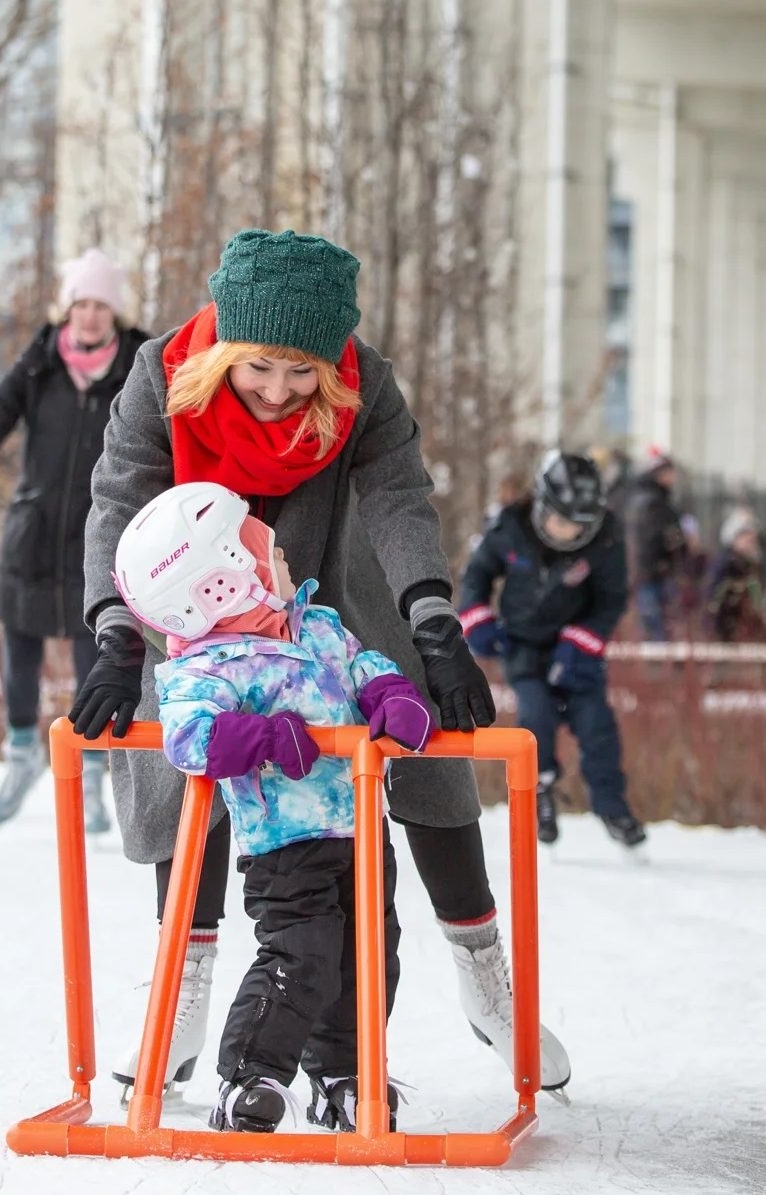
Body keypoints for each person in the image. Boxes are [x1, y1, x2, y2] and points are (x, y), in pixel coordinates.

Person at [71, 228, 571, 1098]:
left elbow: (399, 499)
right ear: (226, 344)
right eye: (260, 366)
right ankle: (182, 989)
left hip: (329, 596)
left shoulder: (364, 384)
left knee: (426, 735)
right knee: (178, 745)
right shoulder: (158, 376)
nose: (277, 391)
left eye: (303, 372)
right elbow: (119, 497)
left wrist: (433, 620)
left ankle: (484, 971)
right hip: (198, 614)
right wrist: (116, 629)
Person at [119, 483, 433, 1132]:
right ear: (224, 584)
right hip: (287, 845)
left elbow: (363, 664)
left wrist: (391, 694)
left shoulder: (316, 625)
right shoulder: (205, 666)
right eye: (266, 550)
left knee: (371, 954)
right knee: (302, 956)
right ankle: (249, 1078)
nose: (283, 554)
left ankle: (344, 1073)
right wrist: (261, 737)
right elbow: (187, 737)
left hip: (361, 829)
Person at [0, 248, 148, 832]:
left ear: (116, 313)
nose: (91, 316)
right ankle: (21, 756)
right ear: (65, 307)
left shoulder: (139, 366)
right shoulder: (40, 362)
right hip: (33, 529)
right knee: (17, 648)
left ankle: (96, 776)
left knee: (93, 656)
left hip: (99, 536)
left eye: (102, 305)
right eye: (81, 303)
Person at [460, 452, 646, 849]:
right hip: (522, 646)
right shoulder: (510, 526)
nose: (567, 533)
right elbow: (476, 575)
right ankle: (539, 794)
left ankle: (612, 807)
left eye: (578, 525)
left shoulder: (606, 540)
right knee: (535, 718)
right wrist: (477, 619)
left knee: (597, 726)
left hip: (576, 652)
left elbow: (611, 600)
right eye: (560, 521)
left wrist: (582, 642)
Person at [624, 447, 685, 642]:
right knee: (655, 628)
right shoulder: (653, 503)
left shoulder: (645, 499)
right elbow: (657, 539)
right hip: (653, 575)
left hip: (649, 574)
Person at [705, 510, 766, 644]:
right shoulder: (727, 566)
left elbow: (758, 601)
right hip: (726, 635)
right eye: (745, 535)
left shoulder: (751, 565)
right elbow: (715, 601)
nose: (751, 540)